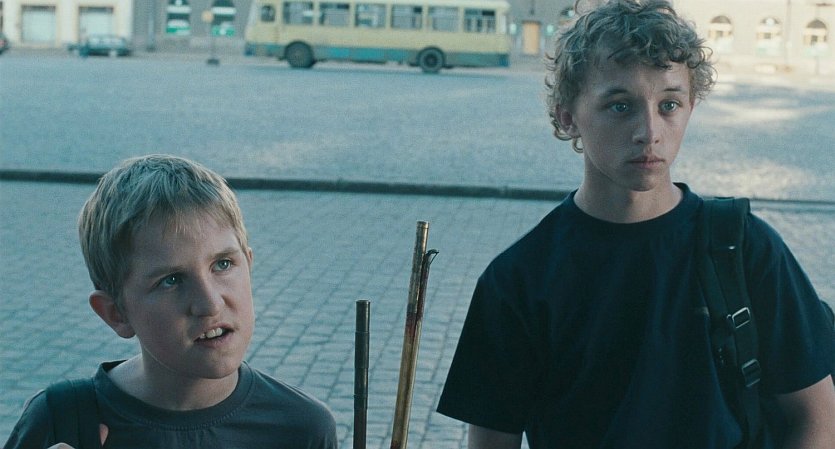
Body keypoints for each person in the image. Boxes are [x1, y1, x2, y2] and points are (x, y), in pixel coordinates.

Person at [436, 1, 835, 448]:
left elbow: (817, 418)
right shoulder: (519, 279)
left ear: (691, 106)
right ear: (568, 116)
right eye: (620, 106)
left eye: (669, 104)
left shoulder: (744, 248)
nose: (650, 131)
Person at [4, 154, 338, 448]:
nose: (210, 304)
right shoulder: (62, 422)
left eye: (223, 264)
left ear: (248, 265)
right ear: (116, 313)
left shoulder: (302, 429)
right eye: (172, 280)